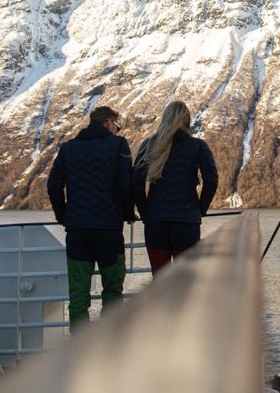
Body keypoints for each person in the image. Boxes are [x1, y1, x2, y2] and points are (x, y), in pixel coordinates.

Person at [46, 105, 135, 326]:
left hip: (77, 232)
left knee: (78, 295)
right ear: (107, 123)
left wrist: (64, 215)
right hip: (109, 231)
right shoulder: (118, 145)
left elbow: (53, 186)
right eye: (117, 125)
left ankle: (78, 350)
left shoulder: (68, 148)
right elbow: (126, 184)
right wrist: (128, 212)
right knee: (113, 290)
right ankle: (108, 346)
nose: (118, 129)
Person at [132, 100, 219, 275]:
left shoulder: (149, 145)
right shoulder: (197, 146)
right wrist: (200, 209)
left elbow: (135, 181)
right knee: (185, 284)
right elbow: (211, 179)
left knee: (160, 282)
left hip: (156, 222)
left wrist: (145, 211)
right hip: (186, 222)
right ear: (187, 121)